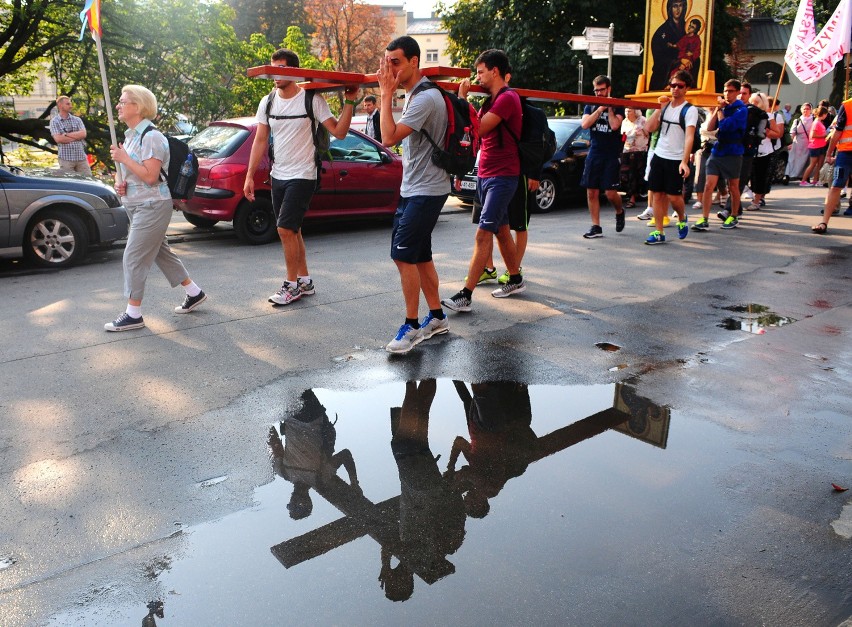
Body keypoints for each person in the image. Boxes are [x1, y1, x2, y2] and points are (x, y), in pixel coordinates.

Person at [244, 48, 358, 307]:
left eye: (281, 69)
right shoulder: (268, 101)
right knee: (293, 230)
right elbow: (260, 139)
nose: (275, 75)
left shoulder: (311, 100)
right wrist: (250, 175)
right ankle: (305, 281)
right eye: (272, 70)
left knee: (284, 229)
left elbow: (339, 133)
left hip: (304, 174)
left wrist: (349, 102)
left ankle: (291, 285)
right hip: (278, 174)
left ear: (294, 72)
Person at [105, 85, 206, 332]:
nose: (118, 105)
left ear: (137, 107)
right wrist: (121, 184)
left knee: (133, 256)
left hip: (152, 206)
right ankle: (194, 292)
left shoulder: (151, 137)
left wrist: (124, 158)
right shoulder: (131, 136)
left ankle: (133, 314)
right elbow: (134, 175)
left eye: (122, 101)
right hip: (137, 204)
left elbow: (151, 177)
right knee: (161, 252)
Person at [377, 36, 451, 353]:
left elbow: (388, 137)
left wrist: (384, 94)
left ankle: (411, 325)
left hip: (427, 189)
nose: (390, 67)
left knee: (402, 255)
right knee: (421, 257)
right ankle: (437, 317)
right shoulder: (414, 95)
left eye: (396, 61)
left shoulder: (424, 98)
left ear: (413, 62)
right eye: (387, 61)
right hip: (415, 187)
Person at [441, 49, 525, 312]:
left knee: (482, 234)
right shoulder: (490, 101)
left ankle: (466, 294)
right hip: (485, 173)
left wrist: (463, 99)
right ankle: (516, 278)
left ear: (495, 71)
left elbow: (480, 127)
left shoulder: (508, 98)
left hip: (503, 175)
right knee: (501, 231)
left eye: (480, 72)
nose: (477, 77)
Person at [641, 70, 696, 244]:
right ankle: (659, 232)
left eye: (679, 86)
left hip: (676, 158)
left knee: (673, 196)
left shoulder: (690, 110)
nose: (675, 89)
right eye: (672, 85)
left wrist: (684, 162)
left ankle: (682, 217)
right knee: (657, 194)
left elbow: (689, 136)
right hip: (660, 154)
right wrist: (659, 109)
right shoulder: (664, 107)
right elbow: (648, 128)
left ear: (686, 88)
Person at [693, 79, 747, 232]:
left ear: (737, 92)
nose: (727, 94)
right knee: (709, 185)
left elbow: (727, 126)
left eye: (730, 91)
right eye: (725, 91)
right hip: (718, 150)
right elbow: (711, 128)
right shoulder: (722, 108)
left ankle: (734, 215)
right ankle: (704, 219)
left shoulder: (741, 110)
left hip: (734, 151)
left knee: (733, 186)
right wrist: (717, 110)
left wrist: (721, 111)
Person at [579, 75, 626, 238]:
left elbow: (614, 125)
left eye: (602, 90)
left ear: (609, 89)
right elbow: (585, 124)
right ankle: (596, 226)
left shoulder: (618, 105)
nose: (599, 93)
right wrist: (599, 109)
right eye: (596, 90)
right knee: (591, 191)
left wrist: (610, 108)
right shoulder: (590, 105)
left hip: (611, 153)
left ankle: (620, 211)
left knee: (610, 193)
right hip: (595, 151)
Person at [813, 95, 852, 233]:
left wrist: (829, 153)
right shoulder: (847, 105)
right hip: (846, 152)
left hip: (845, 153)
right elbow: (838, 131)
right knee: (836, 186)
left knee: (835, 186)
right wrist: (829, 153)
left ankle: (824, 222)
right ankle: (824, 222)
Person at [747, 93, 783, 211]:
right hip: (749, 149)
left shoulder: (768, 116)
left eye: (756, 102)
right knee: (749, 175)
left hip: (764, 151)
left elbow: (777, 133)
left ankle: (757, 200)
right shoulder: (747, 113)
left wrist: (765, 132)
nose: (753, 104)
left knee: (760, 176)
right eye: (752, 101)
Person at [49, 95, 92, 176]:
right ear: (60, 106)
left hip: (81, 158)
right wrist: (76, 137)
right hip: (66, 159)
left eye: (70, 103)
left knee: (88, 180)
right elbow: (58, 139)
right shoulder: (54, 121)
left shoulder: (77, 120)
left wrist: (66, 135)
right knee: (70, 183)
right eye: (68, 104)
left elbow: (83, 134)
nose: (71, 106)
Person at [649, 0, 686, 91]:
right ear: (670, 9)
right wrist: (678, 61)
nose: (678, 9)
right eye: (675, 6)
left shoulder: (687, 28)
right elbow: (659, 57)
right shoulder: (662, 31)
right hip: (665, 72)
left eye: (680, 6)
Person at [621, 108, 649, 209]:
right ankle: (631, 196)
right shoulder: (625, 122)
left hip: (640, 150)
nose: (627, 113)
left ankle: (635, 196)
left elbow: (648, 134)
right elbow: (623, 135)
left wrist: (641, 130)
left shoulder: (642, 120)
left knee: (637, 174)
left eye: (629, 111)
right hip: (627, 149)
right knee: (627, 174)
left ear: (635, 112)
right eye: (626, 111)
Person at [801, 105, 829, 187]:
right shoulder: (816, 122)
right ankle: (803, 181)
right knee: (812, 164)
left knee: (819, 164)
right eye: (826, 114)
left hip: (821, 145)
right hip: (815, 146)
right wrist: (824, 136)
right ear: (823, 114)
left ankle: (815, 180)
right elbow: (813, 135)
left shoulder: (819, 122)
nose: (826, 116)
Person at [786, 103, 813, 182]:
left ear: (810, 110)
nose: (805, 110)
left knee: (806, 160)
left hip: (808, 143)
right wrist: (790, 143)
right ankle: (787, 175)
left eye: (807, 109)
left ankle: (804, 176)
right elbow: (792, 132)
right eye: (804, 109)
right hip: (797, 142)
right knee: (792, 159)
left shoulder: (813, 119)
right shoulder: (797, 120)